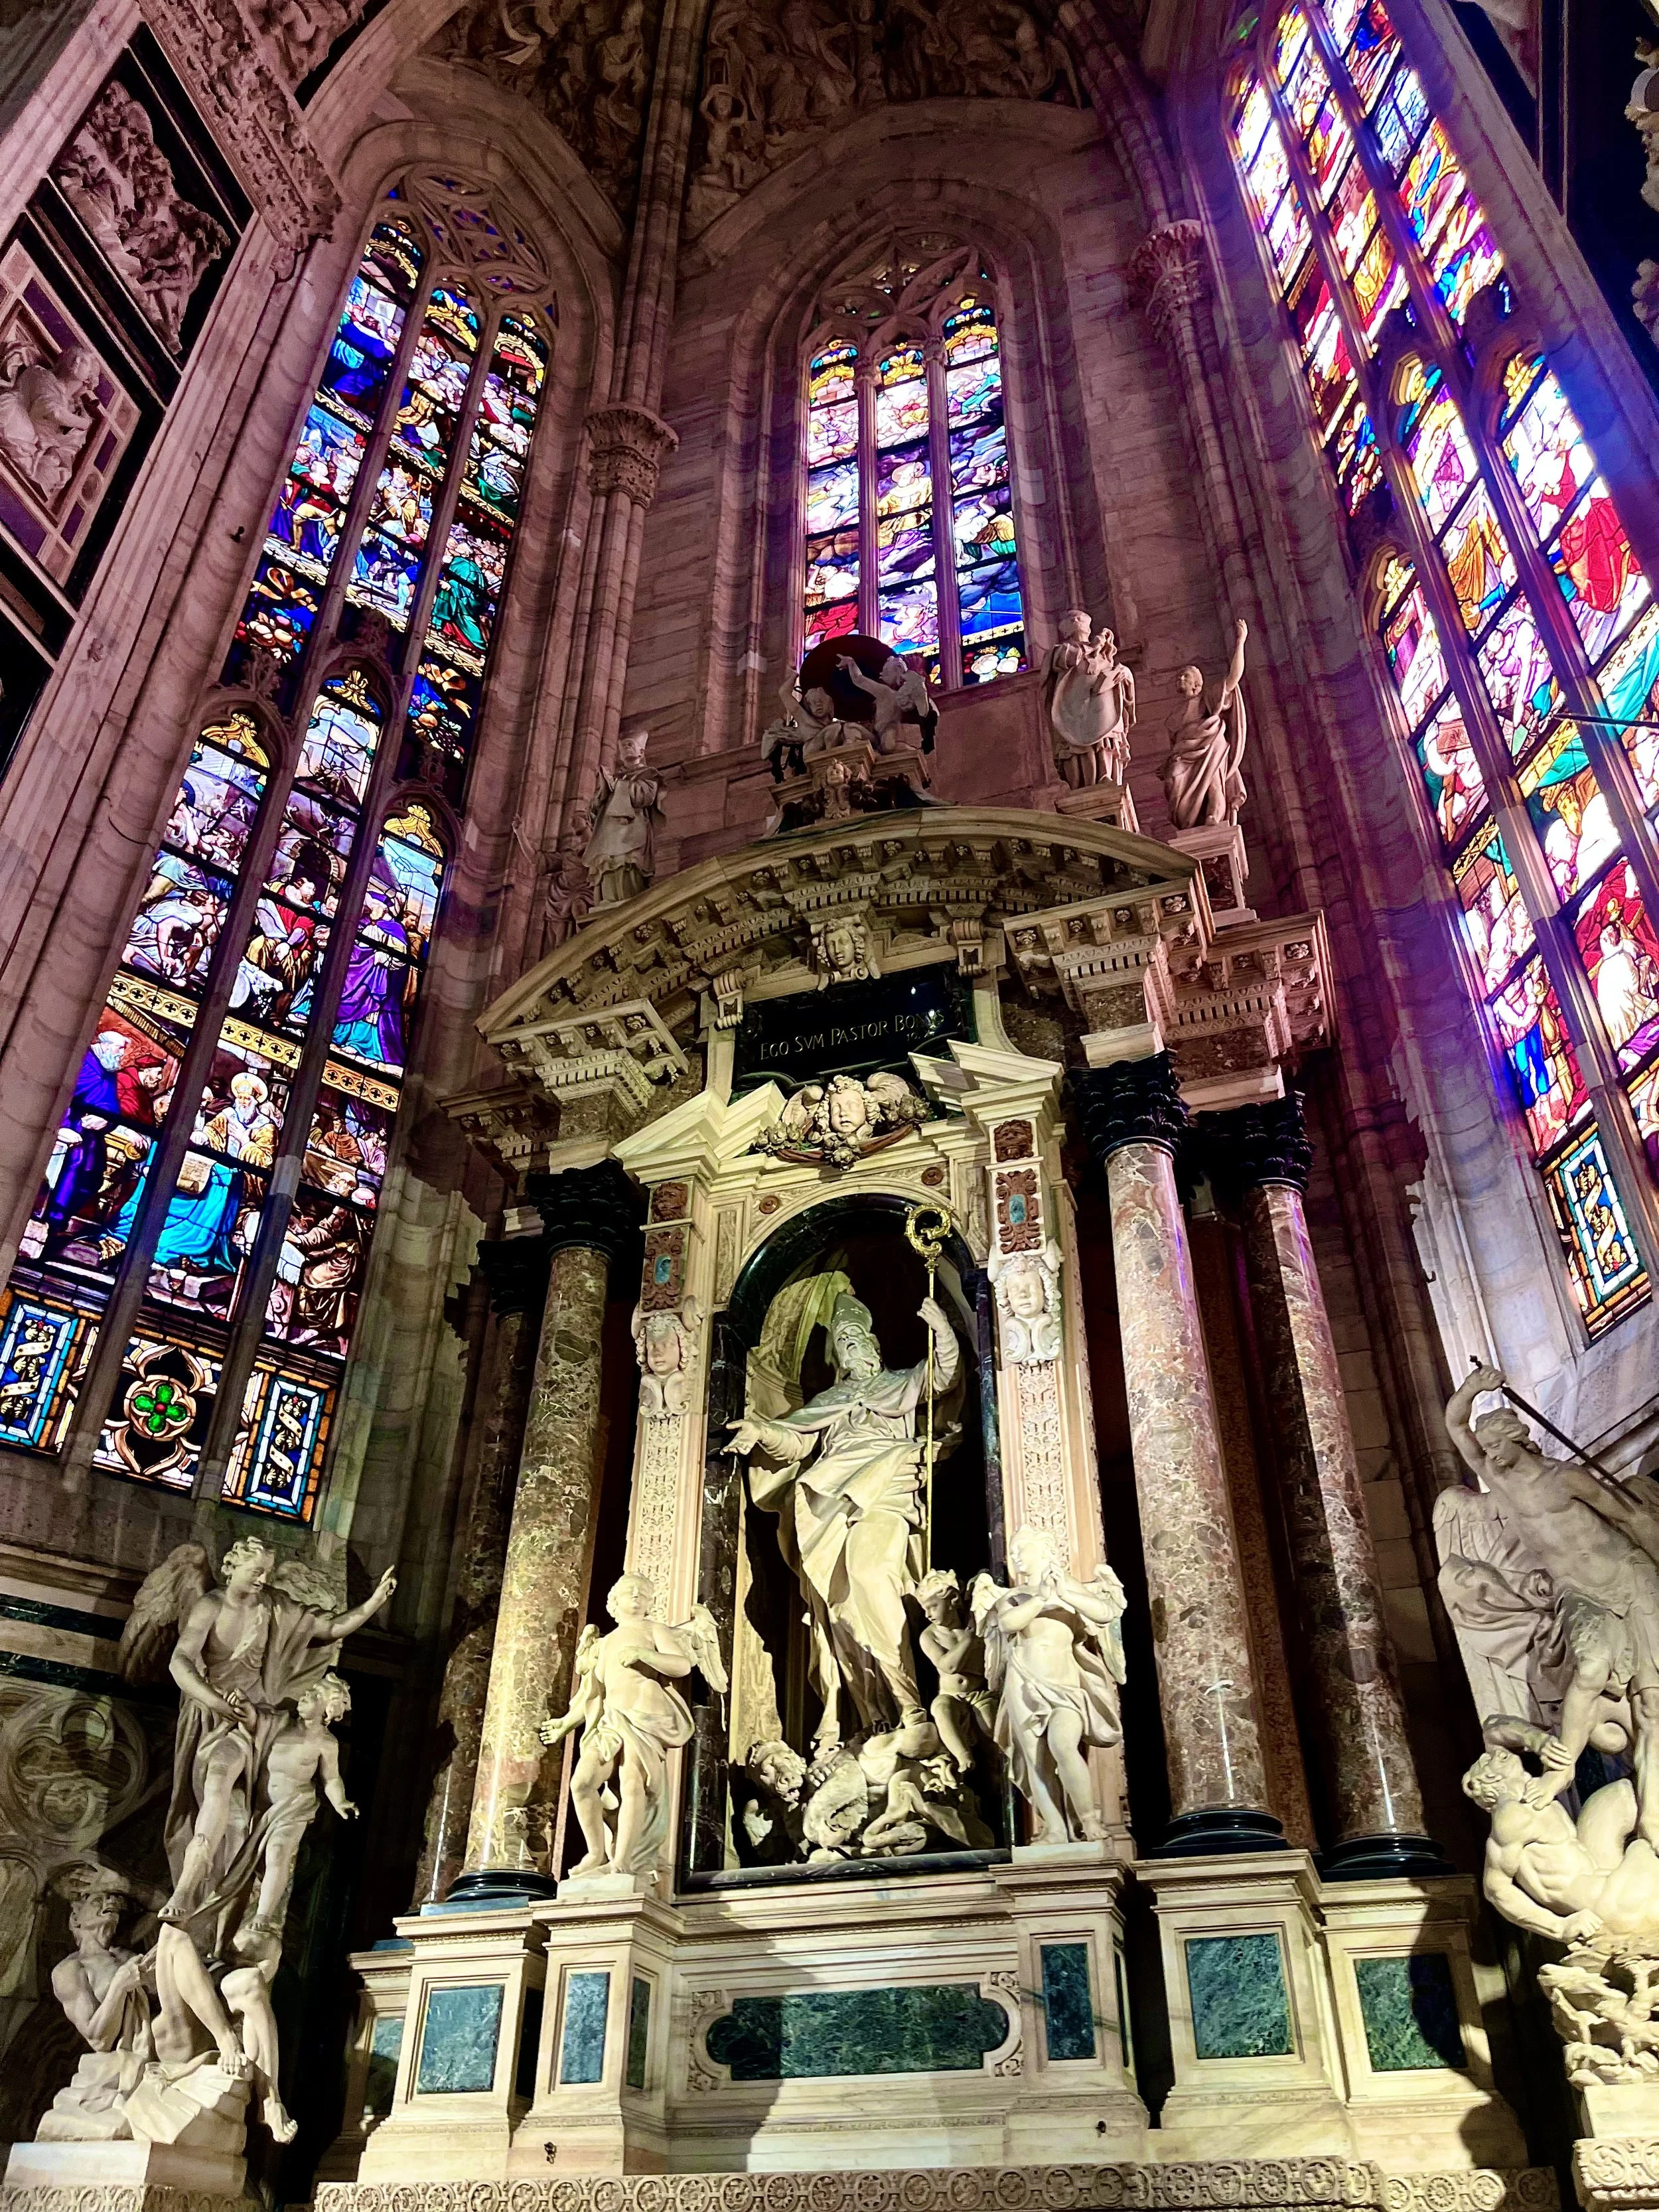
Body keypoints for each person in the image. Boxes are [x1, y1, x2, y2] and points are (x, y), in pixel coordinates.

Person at [727, 1290, 959, 1758]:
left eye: (859, 1340)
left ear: (875, 1346)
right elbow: (794, 1441)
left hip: (885, 1489)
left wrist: (944, 1330)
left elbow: (944, 1376)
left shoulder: (901, 1382)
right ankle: (873, 1714)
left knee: (870, 1577)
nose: (854, 1348)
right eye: (845, 1343)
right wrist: (761, 1431)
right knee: (840, 1610)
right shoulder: (830, 1399)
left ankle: (911, 1705)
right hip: (830, 1501)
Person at [1445, 1363, 1659, 1842]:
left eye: (1496, 1444)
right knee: (1590, 1667)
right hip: (1579, 1593)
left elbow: (1627, 1517)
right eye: (1488, 1448)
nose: (1490, 1455)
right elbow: (1455, 1426)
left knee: (1652, 1708)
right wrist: (1473, 1389)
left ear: (1517, 1439)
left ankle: (1652, 1819)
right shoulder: (1500, 1482)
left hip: (1630, 1577)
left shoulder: (1569, 1478)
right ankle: (1563, 1766)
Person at [538, 1574, 725, 1884]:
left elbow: (681, 1665)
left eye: (643, 1593)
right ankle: (596, 1851)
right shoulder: (603, 1643)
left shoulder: (655, 1630)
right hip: (610, 1720)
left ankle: (622, 1861)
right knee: (582, 1783)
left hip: (644, 1717)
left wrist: (644, 1654)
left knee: (632, 1784)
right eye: (629, 1591)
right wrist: (565, 1724)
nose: (637, 1595)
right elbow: (593, 1695)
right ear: (615, 1601)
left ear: (651, 1603)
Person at [971, 1526, 1127, 1842]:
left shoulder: (1069, 1586)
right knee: (1034, 1759)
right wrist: (1041, 1598)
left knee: (1063, 1744)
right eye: (1012, 1552)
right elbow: (1008, 1623)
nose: (1015, 1556)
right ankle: (1055, 1827)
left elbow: (1105, 1611)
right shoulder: (1010, 1597)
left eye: (1022, 1549)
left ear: (1044, 1549)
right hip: (1023, 1680)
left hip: (1064, 1684)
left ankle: (1089, 1820)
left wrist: (1063, 1594)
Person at [1159, 617, 1249, 829]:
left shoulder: (1207, 698)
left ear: (1197, 684)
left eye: (1185, 676)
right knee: (1174, 778)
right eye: (1180, 677)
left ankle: (1214, 816)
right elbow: (1174, 743)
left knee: (1213, 784)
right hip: (1185, 751)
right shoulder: (1173, 716)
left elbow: (1233, 679)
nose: (1180, 679)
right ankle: (1186, 822)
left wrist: (1241, 643)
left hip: (1210, 746)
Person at [1041, 609, 1135, 788]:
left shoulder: (1104, 656)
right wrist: (1095, 646)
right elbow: (1071, 659)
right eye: (1071, 620)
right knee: (1077, 745)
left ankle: (1107, 776)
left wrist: (1124, 674)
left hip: (1103, 707)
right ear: (1065, 630)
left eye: (1080, 619)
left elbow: (1117, 683)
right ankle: (1083, 782)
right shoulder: (1061, 650)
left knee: (1106, 740)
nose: (1076, 621)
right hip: (1075, 706)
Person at [914, 1568, 995, 1773]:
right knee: (941, 1708)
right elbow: (948, 1666)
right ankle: (963, 1756)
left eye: (933, 1607)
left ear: (952, 1601)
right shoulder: (930, 1636)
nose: (928, 1614)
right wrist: (968, 1640)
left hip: (979, 1694)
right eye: (925, 1609)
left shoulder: (972, 1623)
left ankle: (1001, 1763)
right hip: (952, 1696)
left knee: (990, 1725)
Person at [583, 724, 663, 908]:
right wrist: (604, 790)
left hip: (631, 830)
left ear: (641, 751)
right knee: (606, 864)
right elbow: (594, 810)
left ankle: (627, 900)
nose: (627, 748)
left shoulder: (649, 774)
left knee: (627, 863)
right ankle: (608, 900)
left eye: (631, 744)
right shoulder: (616, 778)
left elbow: (647, 796)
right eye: (624, 745)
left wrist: (617, 786)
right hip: (608, 832)